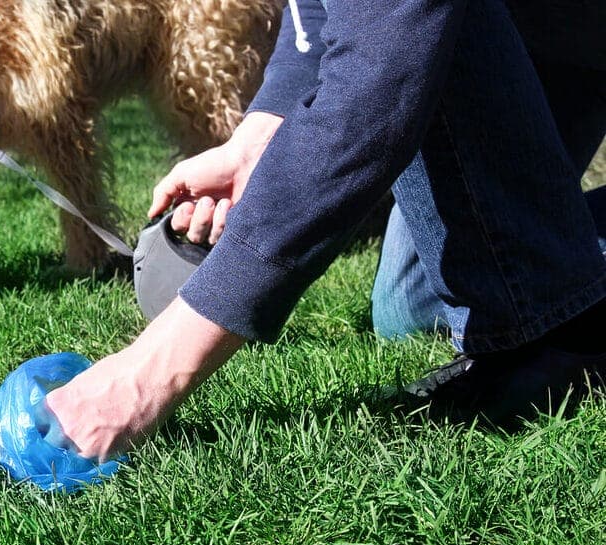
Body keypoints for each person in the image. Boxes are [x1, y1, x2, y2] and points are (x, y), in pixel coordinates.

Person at [44, 0, 606, 462]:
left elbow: (372, 98)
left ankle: (560, 326)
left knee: (516, 314)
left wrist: (146, 377)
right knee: (410, 309)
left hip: (545, 38)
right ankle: (558, 265)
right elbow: (318, 9)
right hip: (519, 33)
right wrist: (254, 140)